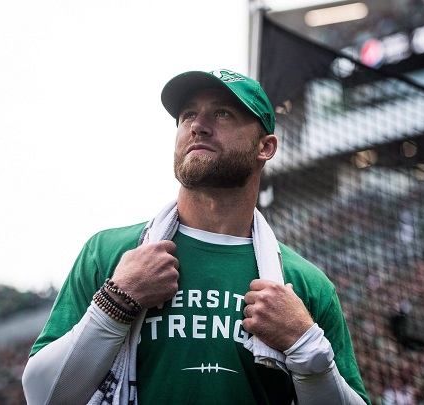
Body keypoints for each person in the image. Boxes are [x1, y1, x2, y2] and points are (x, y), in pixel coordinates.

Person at [22, 69, 370, 404]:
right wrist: (116, 303)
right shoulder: (110, 253)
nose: (198, 126)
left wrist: (305, 345)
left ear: (265, 147)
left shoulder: (304, 284)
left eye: (222, 113)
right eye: (188, 115)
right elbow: (43, 395)